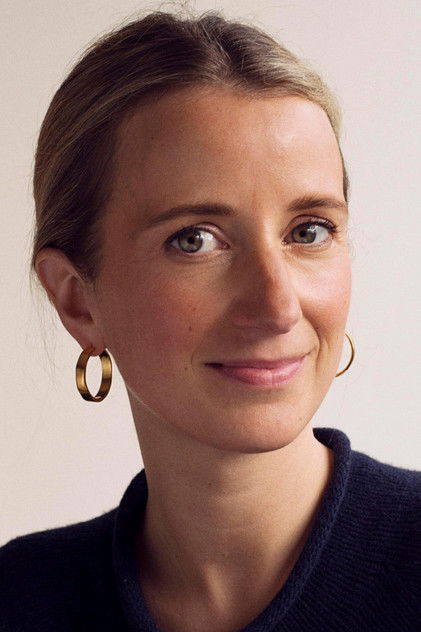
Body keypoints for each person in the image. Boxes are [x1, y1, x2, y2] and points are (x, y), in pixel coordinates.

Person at [0, 9, 419, 632]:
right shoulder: (20, 598)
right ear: (77, 301)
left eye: (309, 231)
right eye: (194, 239)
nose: (278, 306)